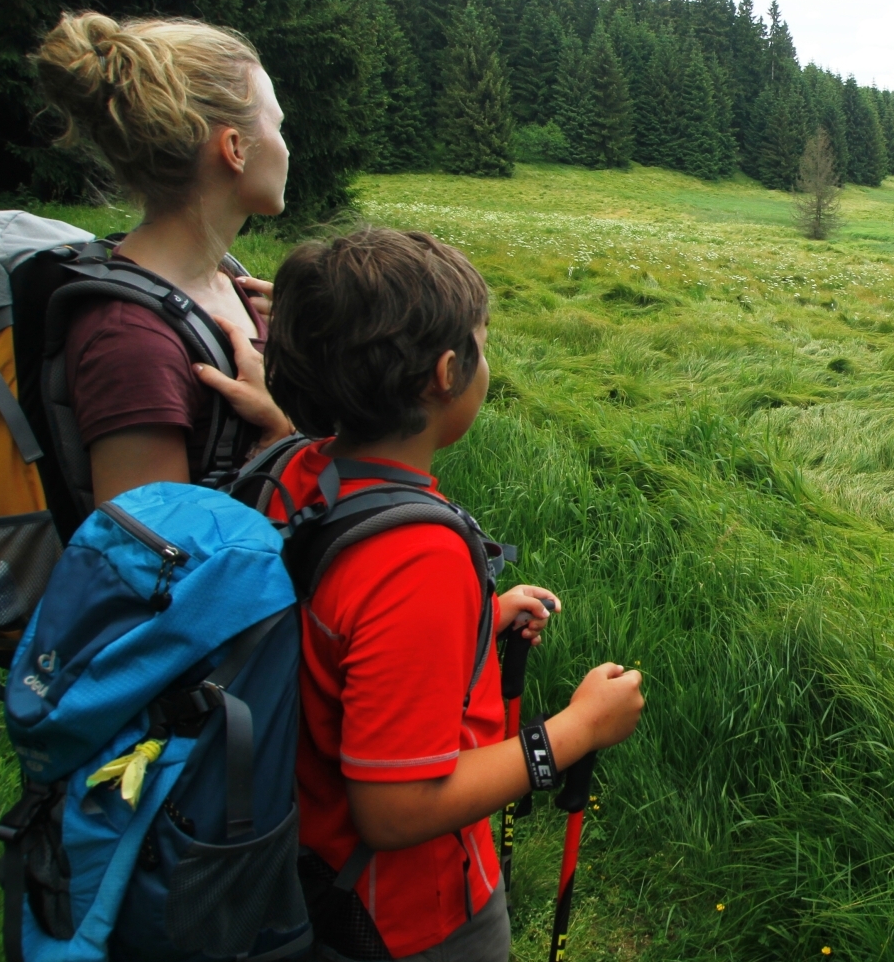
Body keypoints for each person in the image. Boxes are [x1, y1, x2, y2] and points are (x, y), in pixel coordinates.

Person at [262, 228, 645, 961]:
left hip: (310, 863)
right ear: (445, 372)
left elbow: (338, 633)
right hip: (410, 915)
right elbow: (398, 807)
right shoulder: (417, 556)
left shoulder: (302, 474)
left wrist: (476, 617)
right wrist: (576, 731)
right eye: (481, 344)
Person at [32, 11, 295, 504]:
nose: (285, 147)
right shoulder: (130, 340)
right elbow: (152, 565)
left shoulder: (227, 283)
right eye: (278, 126)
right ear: (235, 148)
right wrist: (284, 436)